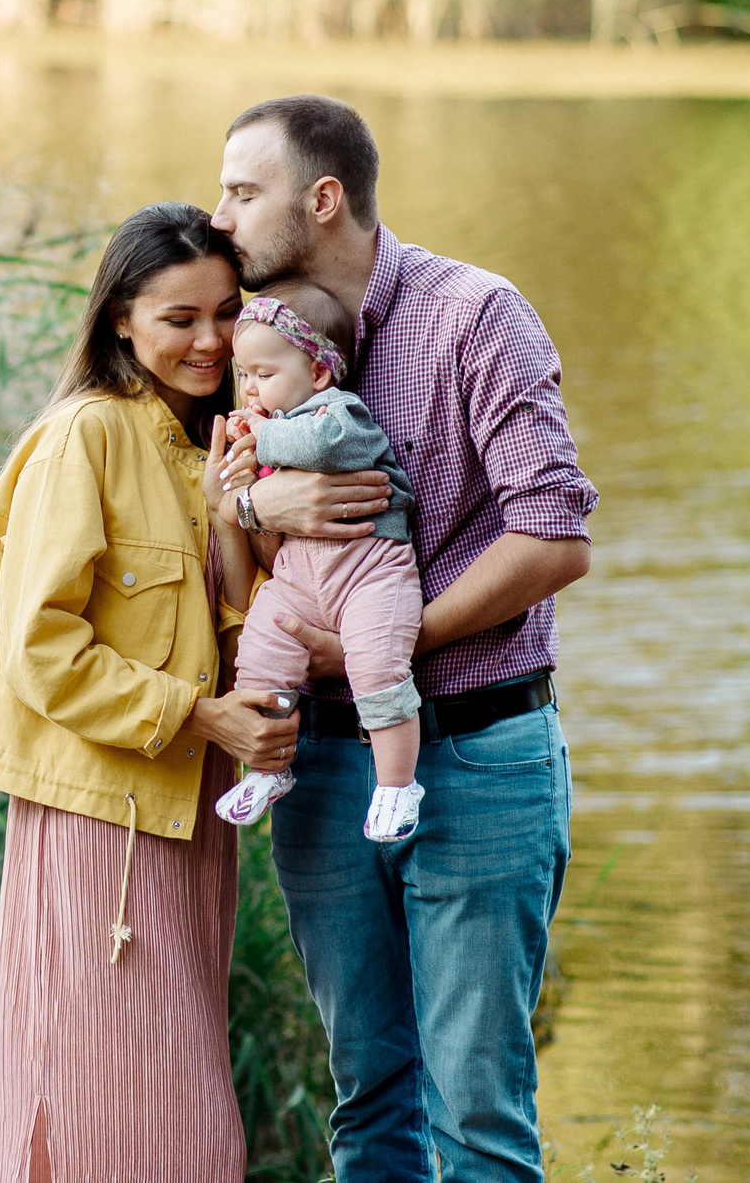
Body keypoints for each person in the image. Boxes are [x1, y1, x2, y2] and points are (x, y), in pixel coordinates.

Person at [209, 95, 597, 1183]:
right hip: (323, 769)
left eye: (243, 192)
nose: (220, 217)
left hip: (477, 756)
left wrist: (389, 646)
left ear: (322, 199)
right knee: (368, 1105)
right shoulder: (245, 345)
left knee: (478, 1116)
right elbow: (229, 554)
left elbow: (554, 536)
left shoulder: (476, 315)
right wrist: (246, 512)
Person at [0, 202, 294, 1183]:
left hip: (185, 816)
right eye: (180, 317)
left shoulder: (207, 443)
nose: (212, 339)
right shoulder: (82, 436)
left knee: (179, 1110)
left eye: (226, 312)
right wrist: (195, 713)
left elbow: (225, 625)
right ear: (119, 321)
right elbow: (40, 648)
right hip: (101, 821)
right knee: (108, 1105)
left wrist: (230, 521)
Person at [211, 282, 425, 842]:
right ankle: (267, 771)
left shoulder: (339, 414)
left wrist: (264, 434)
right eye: (244, 376)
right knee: (260, 660)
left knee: (378, 670)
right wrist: (245, 488)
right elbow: (270, 531)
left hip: (368, 571)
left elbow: (324, 447)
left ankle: (397, 785)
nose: (251, 389)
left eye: (265, 374)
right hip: (298, 578)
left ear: (319, 372)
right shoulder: (277, 435)